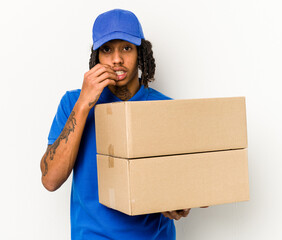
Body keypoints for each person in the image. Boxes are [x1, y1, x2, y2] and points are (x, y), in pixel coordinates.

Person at [40, 9, 190, 240]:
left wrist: (180, 203)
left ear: (140, 53)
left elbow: (188, 181)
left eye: (126, 48)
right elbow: (50, 180)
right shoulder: (73, 103)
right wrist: (83, 105)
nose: (117, 59)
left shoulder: (164, 107)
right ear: (96, 56)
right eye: (107, 50)